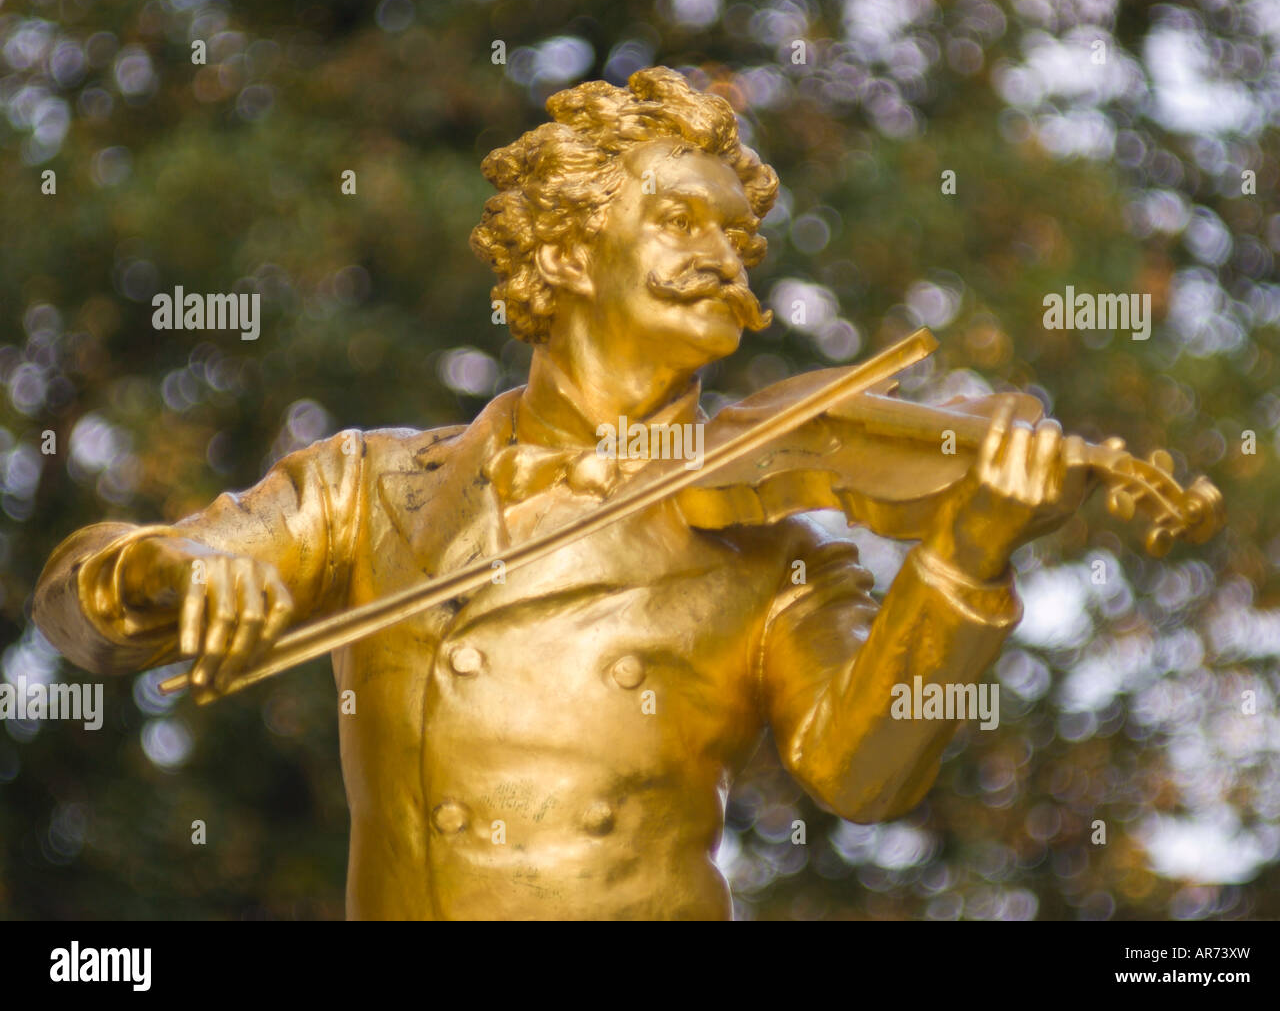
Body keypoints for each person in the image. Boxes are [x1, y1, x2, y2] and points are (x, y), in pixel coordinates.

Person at [34, 67, 1090, 920]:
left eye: (740, 239)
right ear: (562, 248)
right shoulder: (367, 483)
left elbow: (864, 776)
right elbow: (78, 616)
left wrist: (966, 556)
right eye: (682, 222)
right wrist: (166, 569)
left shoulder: (775, 555)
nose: (724, 260)